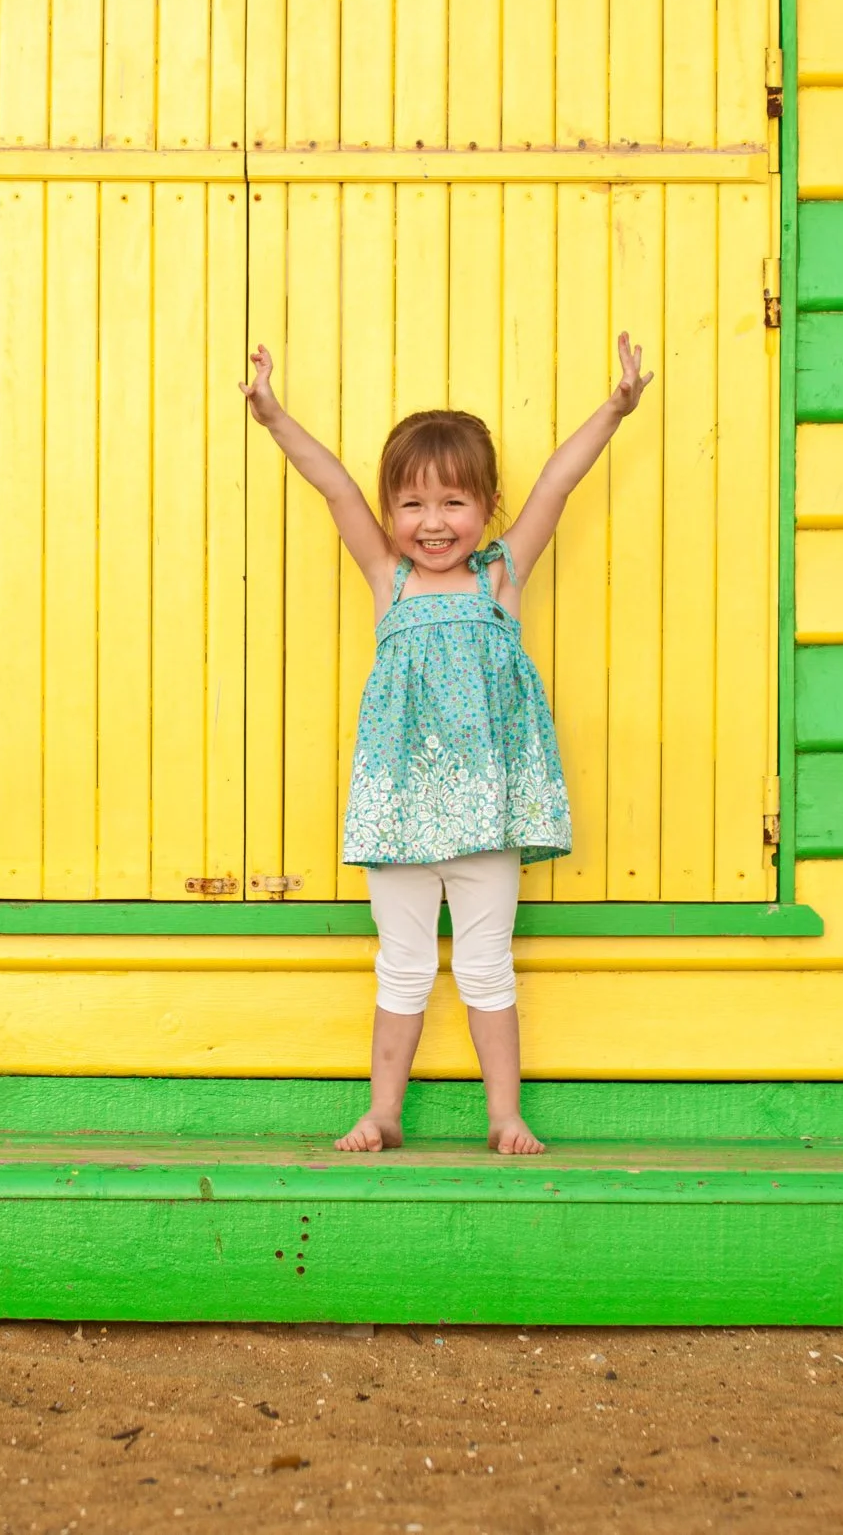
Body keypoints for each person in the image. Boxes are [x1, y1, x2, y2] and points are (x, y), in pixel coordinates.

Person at [240, 335, 653, 1155]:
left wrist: (614, 408)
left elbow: (559, 484)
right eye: (414, 505)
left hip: (484, 822)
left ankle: (505, 1116)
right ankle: (383, 1114)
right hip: (400, 819)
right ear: (393, 513)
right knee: (400, 968)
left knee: (486, 967)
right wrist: (273, 415)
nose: (433, 523)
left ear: (487, 506)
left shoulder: (501, 576)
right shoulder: (385, 576)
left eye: (454, 503)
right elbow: (331, 486)